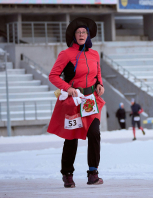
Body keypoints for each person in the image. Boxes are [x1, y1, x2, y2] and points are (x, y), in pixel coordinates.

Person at [47, 17, 105, 188]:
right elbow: (53, 76)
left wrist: (100, 84)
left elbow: (98, 73)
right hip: (73, 101)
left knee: (94, 133)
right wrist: (68, 88)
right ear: (74, 35)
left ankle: (93, 173)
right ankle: (67, 174)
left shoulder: (94, 54)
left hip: (90, 100)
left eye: (84, 32)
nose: (81, 34)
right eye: (78, 32)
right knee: (71, 138)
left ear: (88, 35)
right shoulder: (66, 54)